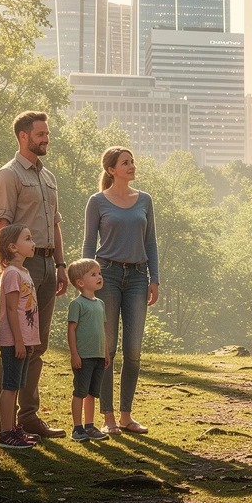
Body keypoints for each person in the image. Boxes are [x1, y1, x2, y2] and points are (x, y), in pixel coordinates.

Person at [0, 111, 68, 438]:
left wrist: (61, 265)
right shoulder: (7, 175)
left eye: (47, 134)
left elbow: (55, 224)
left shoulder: (48, 176)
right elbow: (2, 225)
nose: (46, 138)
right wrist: (12, 266)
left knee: (37, 344)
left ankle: (29, 417)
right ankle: (5, 422)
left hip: (48, 265)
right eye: (41, 134)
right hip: (24, 267)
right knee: (14, 344)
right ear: (23, 136)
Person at [82, 146, 159, 434]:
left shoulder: (145, 200)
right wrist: (86, 280)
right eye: (126, 162)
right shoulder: (97, 201)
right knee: (108, 349)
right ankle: (108, 418)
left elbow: (151, 243)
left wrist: (154, 279)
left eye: (133, 161)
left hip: (138, 277)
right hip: (107, 277)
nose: (132, 165)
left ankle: (127, 416)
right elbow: (89, 244)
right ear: (111, 169)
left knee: (133, 350)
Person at [0, 224, 40, 450]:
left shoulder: (24, 272)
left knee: (17, 385)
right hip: (13, 340)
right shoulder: (12, 273)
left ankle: (12, 429)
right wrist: (19, 341)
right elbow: (11, 310)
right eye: (28, 239)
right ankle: (5, 433)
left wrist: (29, 342)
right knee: (10, 386)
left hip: (23, 340)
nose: (33, 243)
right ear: (12, 247)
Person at [66, 259, 111, 443]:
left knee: (93, 393)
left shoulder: (100, 304)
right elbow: (71, 330)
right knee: (80, 392)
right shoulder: (77, 304)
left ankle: (89, 426)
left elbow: (102, 330)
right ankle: (77, 429)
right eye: (93, 274)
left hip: (98, 356)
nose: (99, 277)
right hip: (83, 357)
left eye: (99, 273)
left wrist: (106, 353)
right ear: (80, 282)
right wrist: (74, 354)